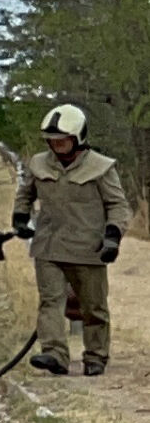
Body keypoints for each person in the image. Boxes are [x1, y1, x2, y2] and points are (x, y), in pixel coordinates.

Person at [15, 102, 129, 377]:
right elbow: (25, 193)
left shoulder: (101, 168)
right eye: (52, 141)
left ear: (78, 137)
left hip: (88, 250)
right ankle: (54, 354)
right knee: (50, 302)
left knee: (94, 307)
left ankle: (96, 356)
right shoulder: (39, 163)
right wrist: (20, 218)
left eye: (63, 140)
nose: (57, 146)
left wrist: (112, 237)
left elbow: (118, 205)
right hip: (48, 248)